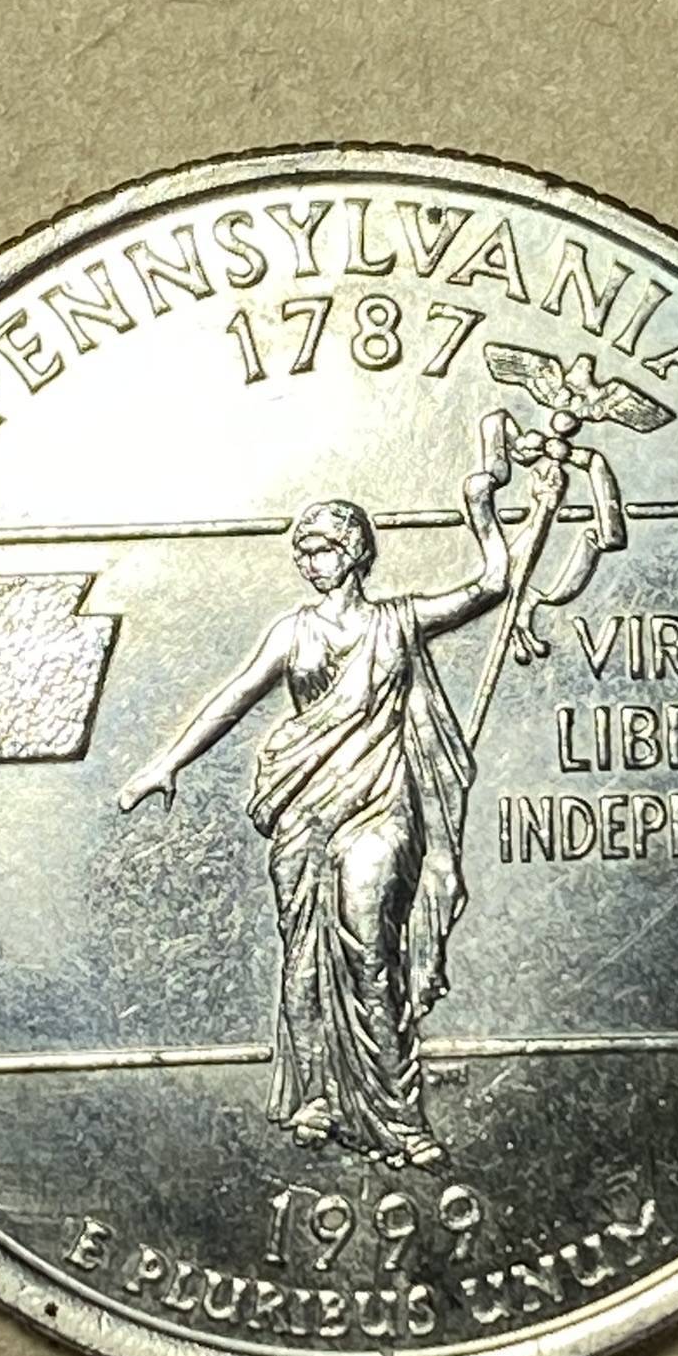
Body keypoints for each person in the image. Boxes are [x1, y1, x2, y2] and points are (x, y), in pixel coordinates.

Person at [118, 476, 509, 1166]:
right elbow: (237, 695)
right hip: (304, 807)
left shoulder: (398, 621)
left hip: (380, 804)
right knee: (302, 956)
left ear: (354, 552)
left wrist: (483, 512)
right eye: (302, 551)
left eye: (322, 548)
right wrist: (167, 762)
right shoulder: (292, 630)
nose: (309, 561)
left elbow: (489, 586)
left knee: (368, 947)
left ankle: (399, 1114)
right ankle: (317, 1097)